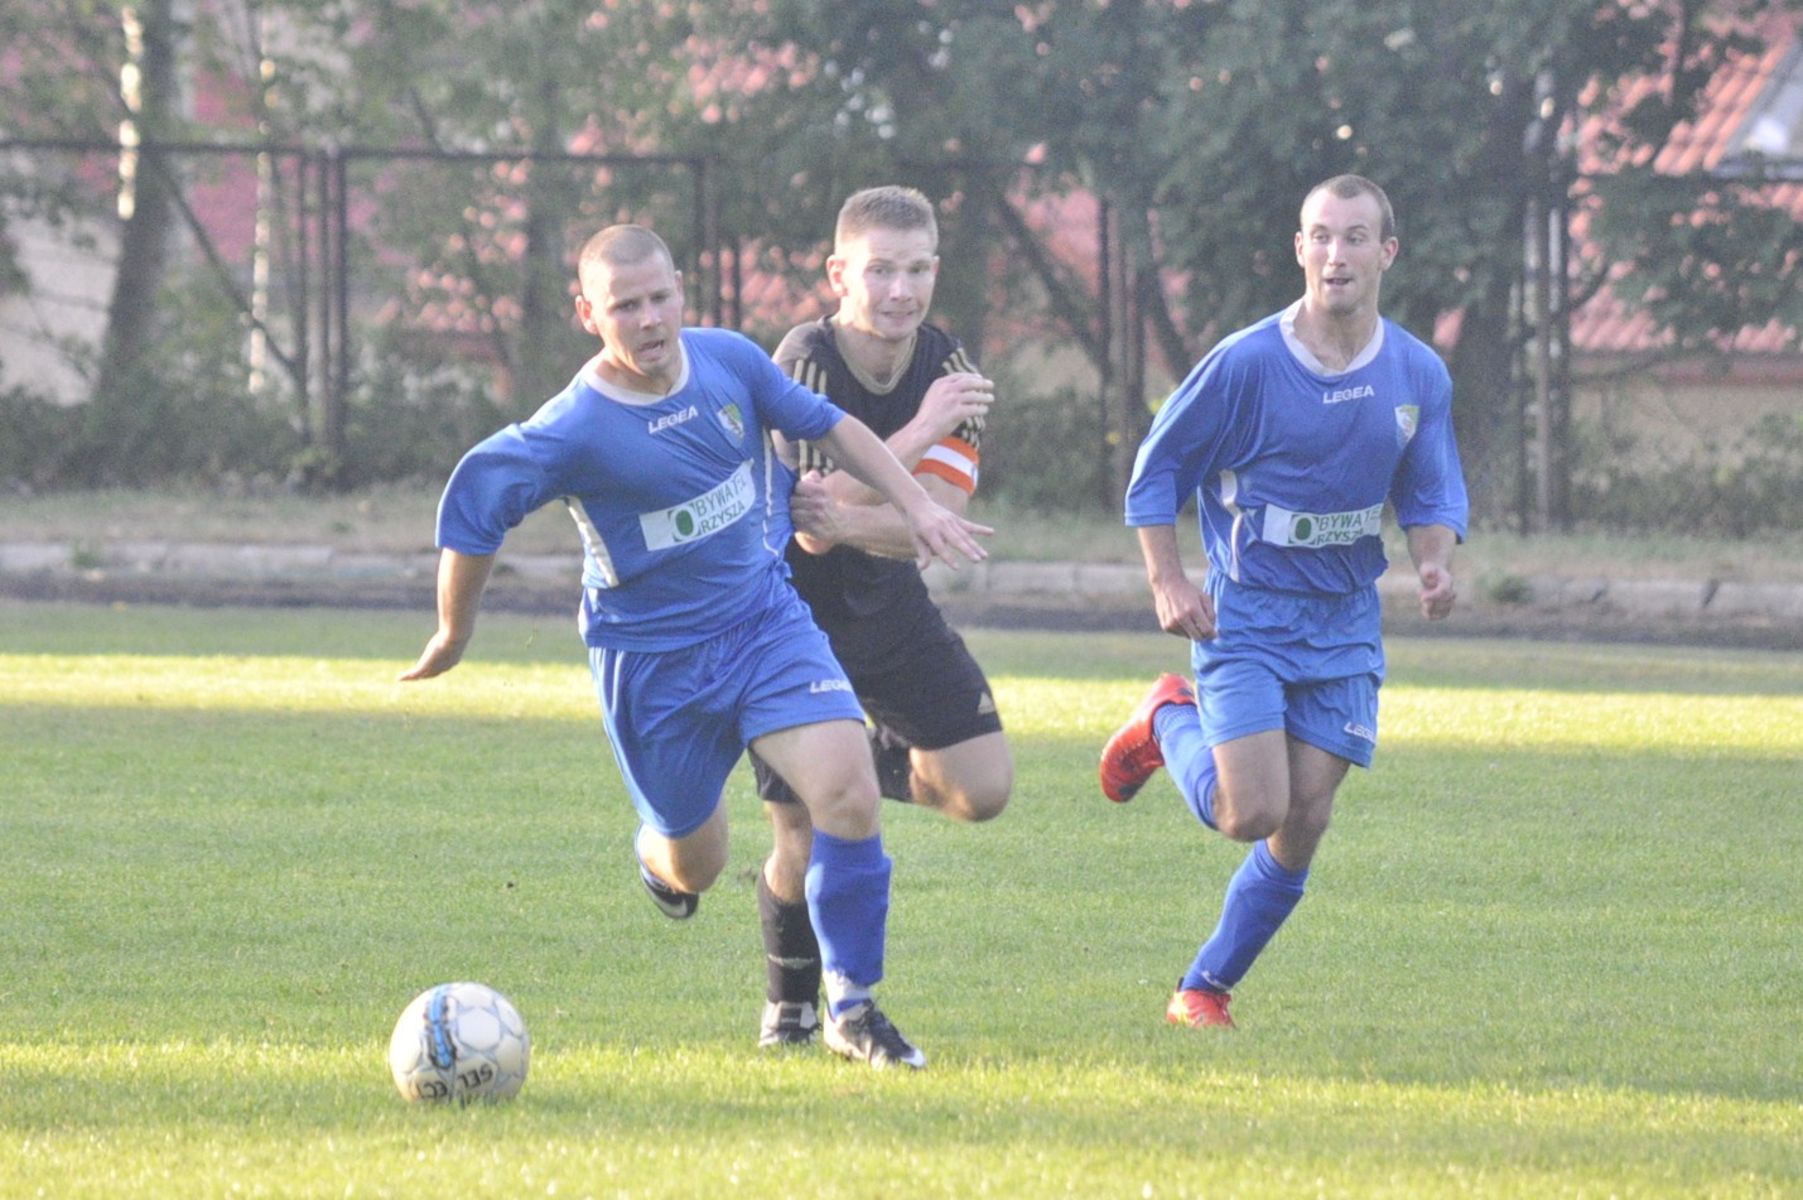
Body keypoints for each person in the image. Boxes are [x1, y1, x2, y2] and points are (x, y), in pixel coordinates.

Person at [400, 224, 990, 1070]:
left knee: (848, 793)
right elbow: (474, 515)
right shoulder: (571, 430)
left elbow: (836, 429)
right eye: (624, 306)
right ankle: (657, 855)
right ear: (587, 314)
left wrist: (919, 505)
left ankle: (851, 1005)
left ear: (681, 291)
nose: (648, 320)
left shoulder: (730, 362)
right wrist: (453, 631)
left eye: (659, 298)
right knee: (697, 865)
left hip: (764, 624)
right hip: (654, 667)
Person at [1097, 175, 1468, 1029]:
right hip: (1248, 614)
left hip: (1344, 621)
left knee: (1304, 818)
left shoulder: (1416, 372)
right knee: (1249, 810)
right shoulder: (1244, 365)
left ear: (1386, 252)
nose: (1336, 254)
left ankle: (1202, 989)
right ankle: (1165, 720)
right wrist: (1167, 579)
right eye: (1320, 236)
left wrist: (1433, 564)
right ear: (1299, 249)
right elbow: (1155, 475)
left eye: (1354, 237)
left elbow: (1430, 490)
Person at [741, 185, 1014, 1051]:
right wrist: (916, 432)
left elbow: (934, 524)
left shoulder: (949, 361)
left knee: (983, 789)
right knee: (799, 838)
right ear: (838, 273)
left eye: (917, 269)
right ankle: (790, 1008)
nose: (901, 290)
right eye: (880, 270)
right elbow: (808, 522)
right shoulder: (805, 359)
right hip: (786, 618)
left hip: (889, 605)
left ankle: (853, 767)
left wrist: (859, 520)